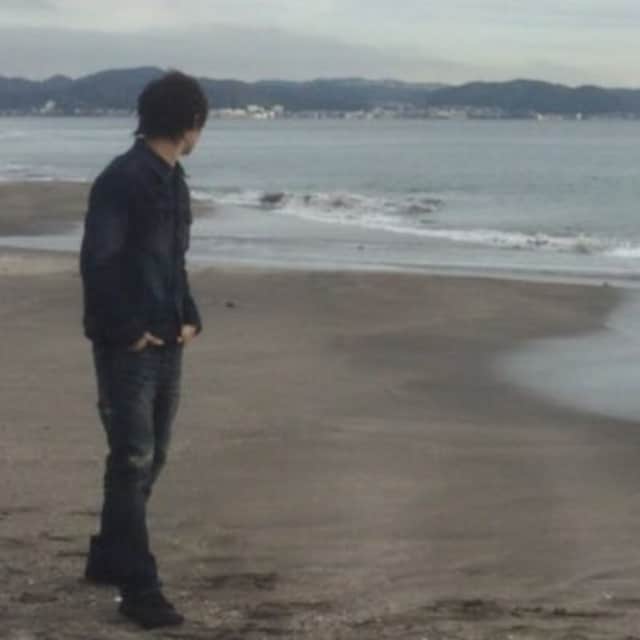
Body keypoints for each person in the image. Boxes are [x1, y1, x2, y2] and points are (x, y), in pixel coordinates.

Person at [79, 70, 208, 629]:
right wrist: (127, 329)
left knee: (147, 458)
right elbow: (98, 262)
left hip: (167, 337)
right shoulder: (123, 179)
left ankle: (110, 556)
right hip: (128, 344)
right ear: (190, 123)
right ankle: (139, 587)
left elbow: (172, 261)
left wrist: (190, 314)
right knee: (133, 458)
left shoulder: (173, 181)